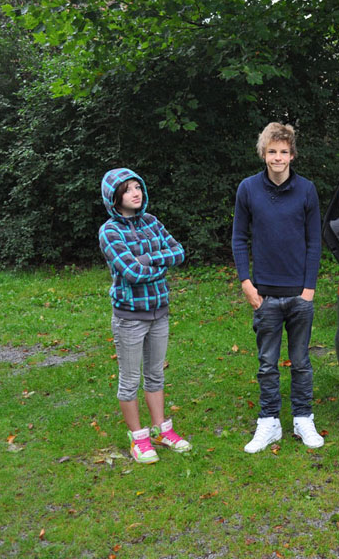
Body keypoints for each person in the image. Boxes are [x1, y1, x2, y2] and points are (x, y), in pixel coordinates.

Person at [232, 122, 324, 451]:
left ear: (292, 155)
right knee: (267, 364)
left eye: (284, 152)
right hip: (265, 295)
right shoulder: (248, 189)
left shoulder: (307, 190)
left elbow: (314, 242)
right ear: (263, 154)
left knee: (301, 362)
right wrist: (246, 283)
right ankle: (269, 421)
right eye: (272, 151)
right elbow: (239, 238)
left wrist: (308, 289)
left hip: (299, 294)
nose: (278, 158)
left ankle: (303, 418)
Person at [99, 169, 191, 464]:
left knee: (155, 374)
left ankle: (162, 431)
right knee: (129, 380)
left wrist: (150, 259)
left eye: (137, 187)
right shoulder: (109, 231)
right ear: (114, 198)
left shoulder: (152, 222)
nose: (135, 193)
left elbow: (178, 252)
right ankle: (138, 438)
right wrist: (158, 267)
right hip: (129, 317)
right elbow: (132, 273)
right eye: (127, 190)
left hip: (159, 312)